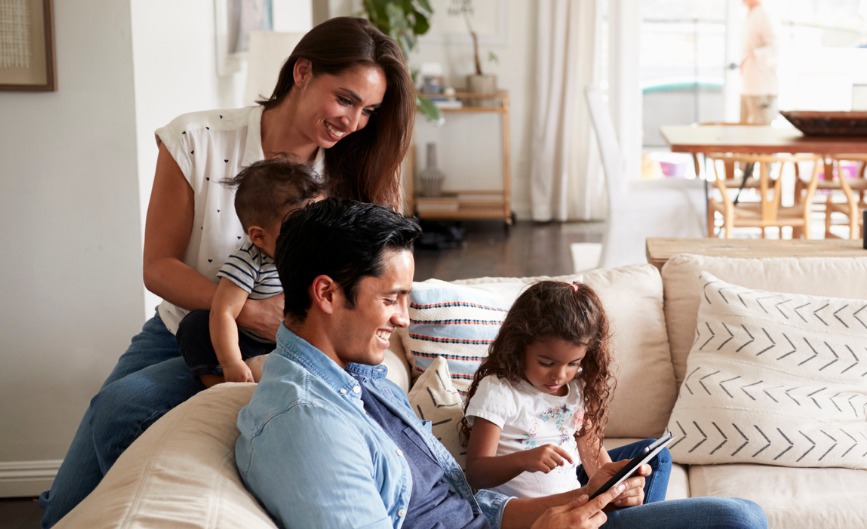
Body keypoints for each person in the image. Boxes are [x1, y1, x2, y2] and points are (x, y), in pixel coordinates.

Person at [39, 16, 414, 526]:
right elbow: (159, 266)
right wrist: (248, 310)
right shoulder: (197, 139)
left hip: (285, 342)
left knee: (123, 407)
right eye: (344, 99)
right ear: (302, 72)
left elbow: (373, 283)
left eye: (368, 110)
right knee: (81, 470)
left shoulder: (351, 172)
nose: (353, 122)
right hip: (185, 324)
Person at [238, 198, 766, 529]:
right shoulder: (305, 424)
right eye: (390, 298)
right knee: (737, 520)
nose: (402, 319)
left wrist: (584, 496)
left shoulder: (362, 378)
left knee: (735, 514)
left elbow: (467, 507)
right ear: (327, 293)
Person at [461, 282, 670, 505]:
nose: (559, 375)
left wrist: (617, 489)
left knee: (657, 456)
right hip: (537, 512)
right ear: (518, 346)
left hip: (576, 499)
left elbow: (596, 462)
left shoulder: (576, 389)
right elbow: (476, 472)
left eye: (573, 363)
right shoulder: (499, 391)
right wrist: (523, 460)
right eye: (546, 363)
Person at [176, 159, 323, 387]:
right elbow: (223, 312)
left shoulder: (319, 255)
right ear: (259, 237)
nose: (313, 235)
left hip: (297, 343)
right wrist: (231, 361)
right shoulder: (249, 261)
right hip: (250, 344)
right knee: (196, 324)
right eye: (298, 227)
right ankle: (219, 384)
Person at [738, 0, 779, 125]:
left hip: (762, 88)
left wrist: (753, 55)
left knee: (760, 136)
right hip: (748, 87)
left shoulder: (764, 16)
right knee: (744, 134)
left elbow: (774, 48)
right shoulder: (749, 15)